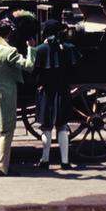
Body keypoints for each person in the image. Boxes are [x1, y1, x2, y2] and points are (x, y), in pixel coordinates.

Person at [0, 18, 36, 176]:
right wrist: (31, 49)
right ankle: (2, 168)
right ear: (9, 34)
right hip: (6, 92)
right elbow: (29, 66)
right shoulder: (10, 52)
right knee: (6, 130)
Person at [33, 19, 80, 170]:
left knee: (46, 128)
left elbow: (35, 72)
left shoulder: (39, 50)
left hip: (46, 93)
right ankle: (65, 162)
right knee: (62, 127)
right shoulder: (68, 48)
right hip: (62, 91)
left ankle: (45, 160)